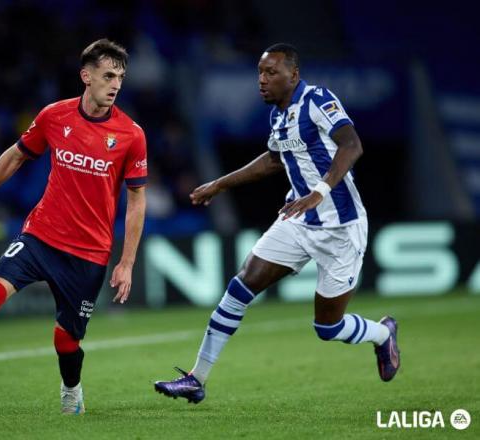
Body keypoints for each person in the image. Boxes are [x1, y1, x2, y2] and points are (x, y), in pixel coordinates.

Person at [0, 39, 147, 415]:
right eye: (108, 75)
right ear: (86, 76)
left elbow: (136, 200)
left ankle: (71, 391)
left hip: (88, 254)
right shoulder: (54, 116)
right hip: (41, 237)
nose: (115, 84)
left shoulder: (131, 135)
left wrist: (127, 261)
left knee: (65, 341)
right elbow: (15, 157)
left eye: (121, 77)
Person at [154, 43, 400, 404]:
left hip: (341, 228)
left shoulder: (318, 100)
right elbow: (273, 160)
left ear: (294, 75)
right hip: (297, 221)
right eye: (260, 73)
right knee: (240, 288)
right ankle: (196, 379)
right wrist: (220, 183)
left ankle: (381, 334)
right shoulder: (278, 116)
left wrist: (318, 191)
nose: (262, 80)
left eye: (271, 73)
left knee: (327, 327)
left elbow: (352, 145)